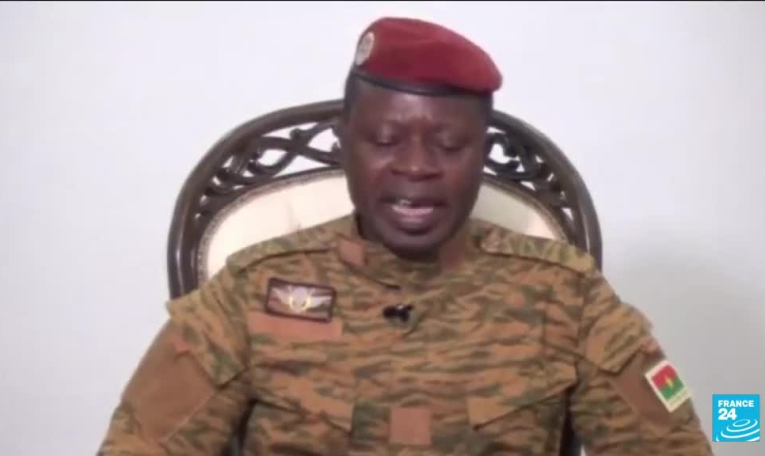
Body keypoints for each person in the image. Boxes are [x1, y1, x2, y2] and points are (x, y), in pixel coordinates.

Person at [98, 17, 712, 455]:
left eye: (449, 144)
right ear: (345, 144)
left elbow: (672, 446)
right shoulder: (252, 289)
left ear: (482, 154)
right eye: (385, 140)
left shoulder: (566, 294)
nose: (416, 167)